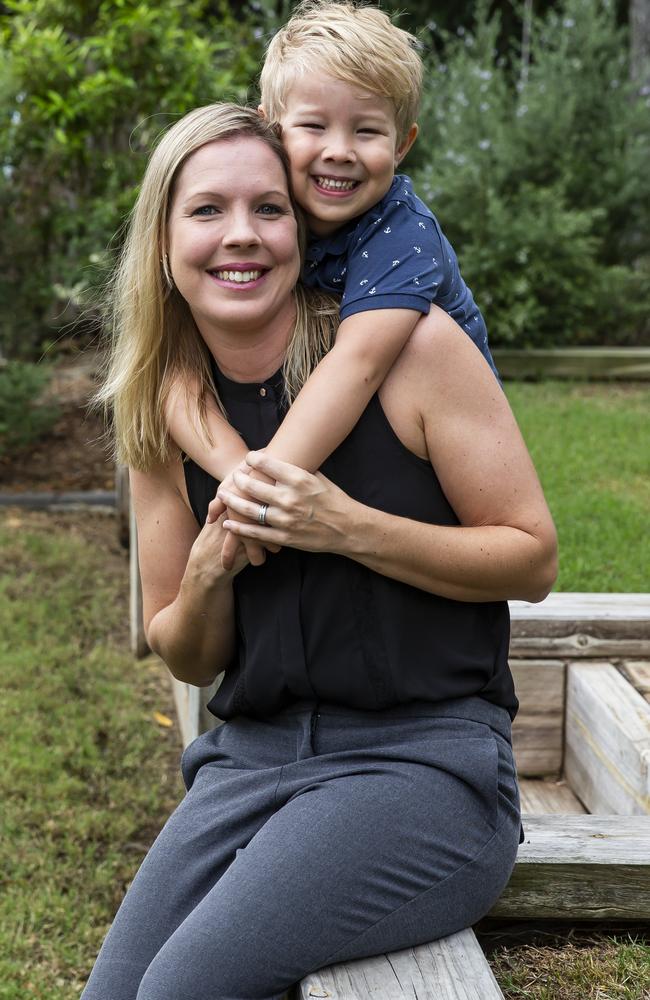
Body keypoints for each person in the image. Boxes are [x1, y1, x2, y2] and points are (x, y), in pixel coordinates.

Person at [82, 103, 557, 1000]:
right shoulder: (159, 408)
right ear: (162, 241)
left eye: (269, 209)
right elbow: (181, 647)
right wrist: (208, 576)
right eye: (208, 210)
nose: (242, 237)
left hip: (424, 769)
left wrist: (347, 527)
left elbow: (533, 559)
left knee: (184, 989)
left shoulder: (414, 348)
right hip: (249, 764)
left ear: (303, 231)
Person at [164, 1, 497, 573]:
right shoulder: (272, 215)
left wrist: (262, 499)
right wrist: (243, 479)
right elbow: (169, 379)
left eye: (367, 131)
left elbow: (360, 364)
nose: (338, 150)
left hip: (434, 442)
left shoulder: (403, 233)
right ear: (272, 126)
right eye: (314, 126)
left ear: (402, 144)